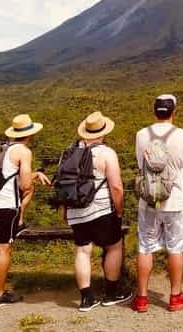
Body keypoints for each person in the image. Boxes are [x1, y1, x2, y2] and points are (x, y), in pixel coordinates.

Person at [130, 95, 183, 313]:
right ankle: (175, 297)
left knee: (145, 247)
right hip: (176, 200)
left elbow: (140, 163)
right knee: (175, 248)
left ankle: (141, 299)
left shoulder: (141, 135)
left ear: (154, 112)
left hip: (148, 200)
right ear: (173, 112)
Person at [65, 111, 132, 311]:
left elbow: (63, 184)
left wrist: (65, 210)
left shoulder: (69, 152)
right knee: (113, 246)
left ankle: (86, 299)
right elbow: (117, 187)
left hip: (76, 210)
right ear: (103, 133)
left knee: (83, 251)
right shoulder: (107, 153)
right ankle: (111, 293)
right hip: (103, 209)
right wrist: (119, 210)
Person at [0, 114, 50, 309]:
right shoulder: (24, 151)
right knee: (4, 247)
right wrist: (32, 178)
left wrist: (35, 174)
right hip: (7, 206)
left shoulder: (3, 148)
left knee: (3, 244)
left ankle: (19, 223)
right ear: (29, 135)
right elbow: (24, 185)